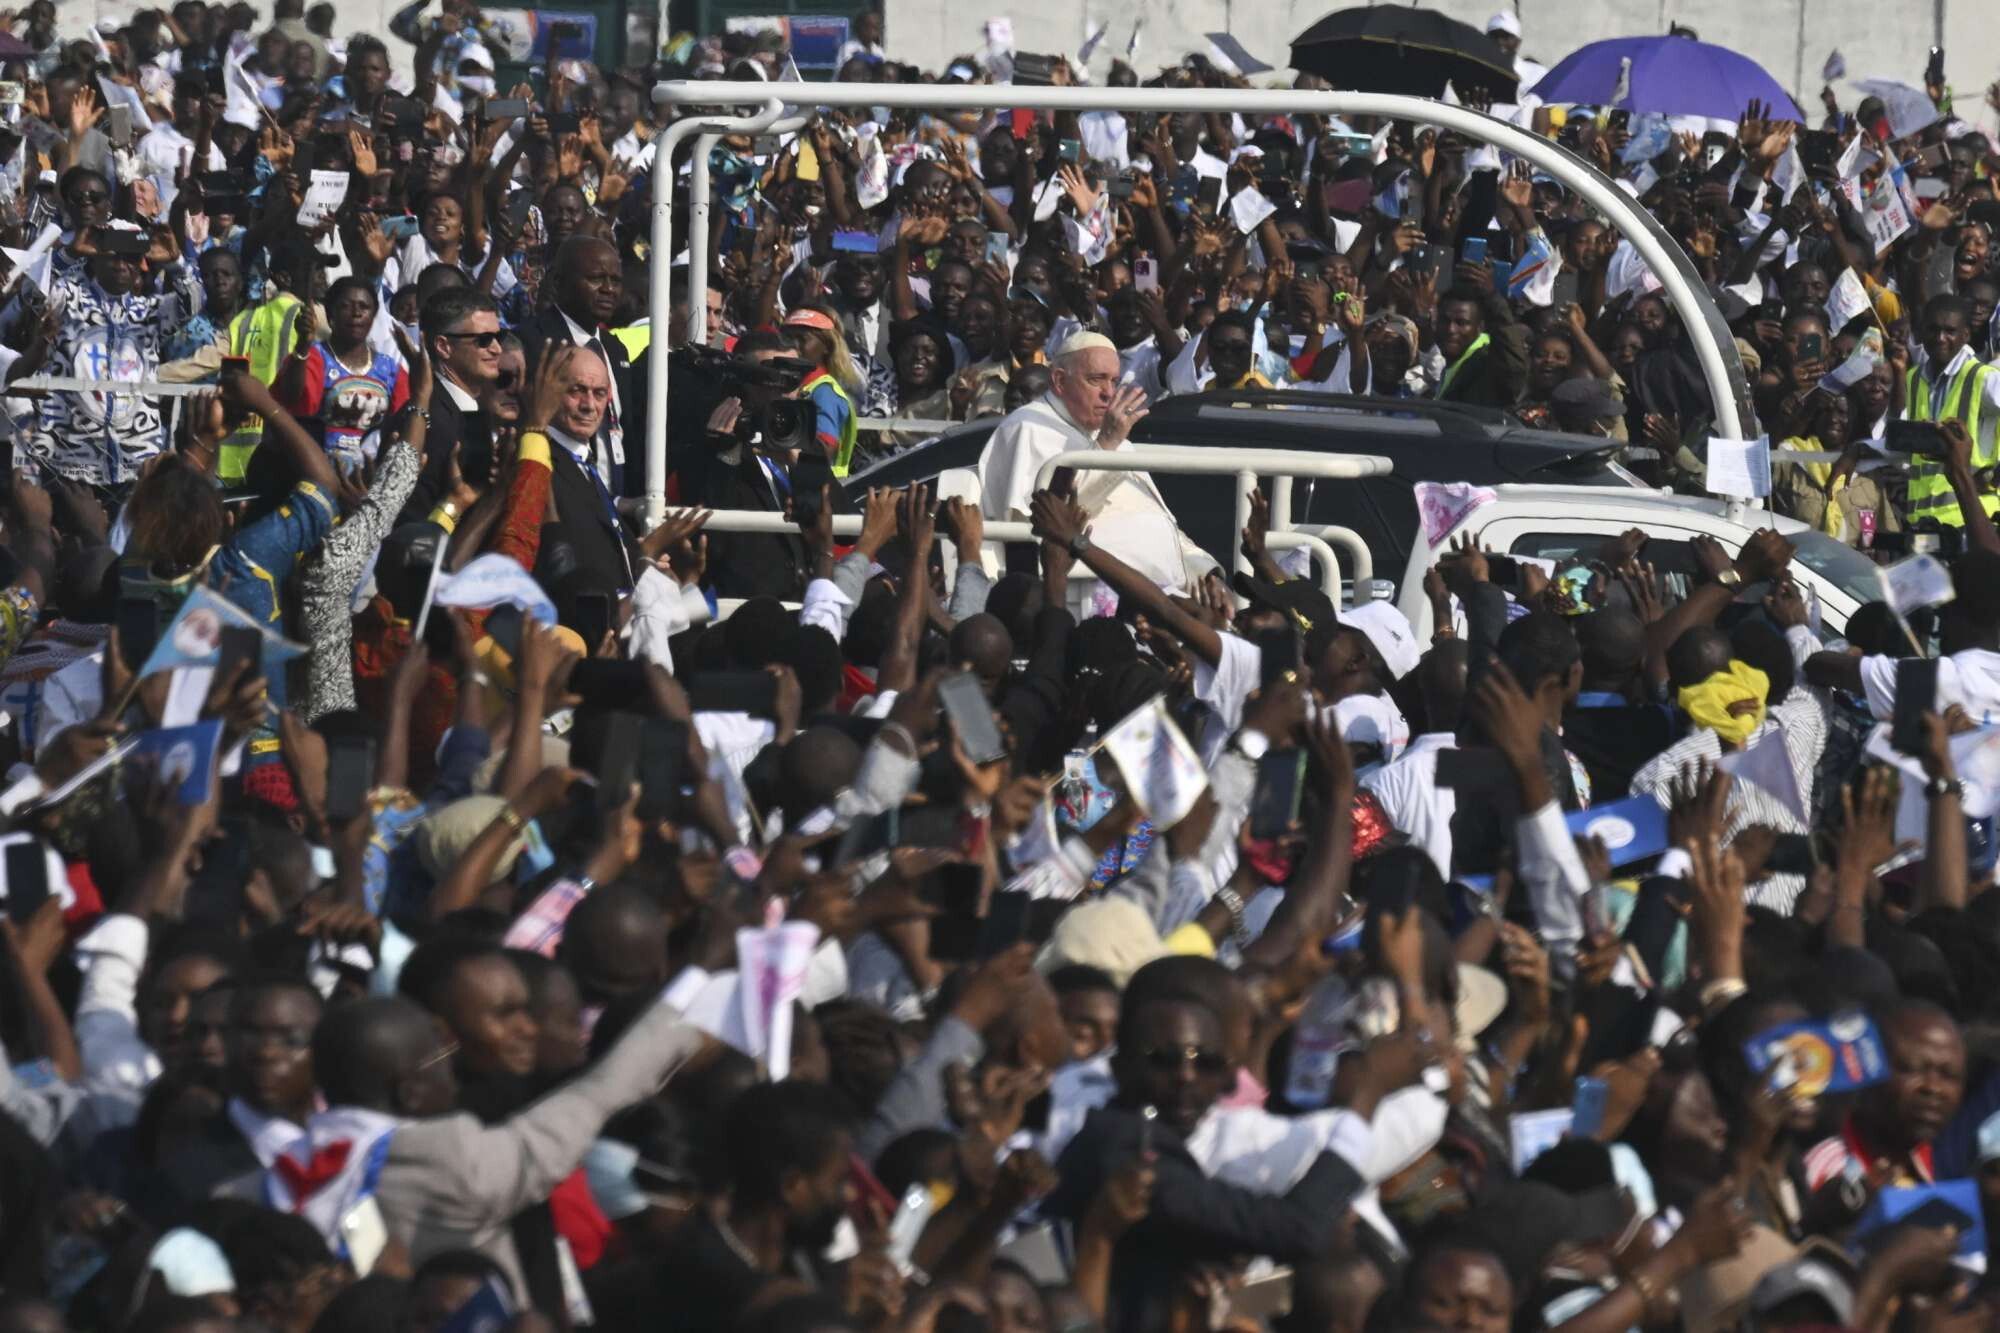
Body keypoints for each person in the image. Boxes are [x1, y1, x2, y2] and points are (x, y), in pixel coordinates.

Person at [977, 331, 1214, 601]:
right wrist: (1106, 444)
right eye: (1096, 380)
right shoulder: (1027, 427)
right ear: (1059, 381)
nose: (1108, 393)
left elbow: (1162, 519)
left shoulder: (1115, 436)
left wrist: (1205, 572)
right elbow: (1054, 521)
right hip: (1091, 594)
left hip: (1167, 592)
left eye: (1114, 381)